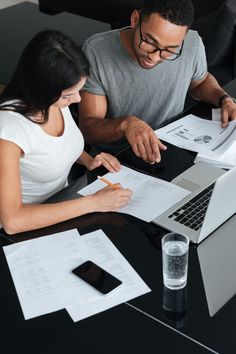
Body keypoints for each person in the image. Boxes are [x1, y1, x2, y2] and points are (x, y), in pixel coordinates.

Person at [0, 30, 132, 235]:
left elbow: (55, 145)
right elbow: (13, 221)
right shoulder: (9, 129)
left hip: (62, 209)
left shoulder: (55, 102)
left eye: (79, 90)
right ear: (41, 88)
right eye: (69, 95)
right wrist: (94, 203)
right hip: (22, 230)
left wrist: (89, 160)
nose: (78, 100)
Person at [79, 0, 236, 164]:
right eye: (149, 41)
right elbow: (89, 128)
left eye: (169, 50)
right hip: (117, 159)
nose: (154, 57)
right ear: (135, 20)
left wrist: (224, 99)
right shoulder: (96, 51)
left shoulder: (192, 43)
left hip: (173, 148)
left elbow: (200, 83)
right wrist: (125, 124)